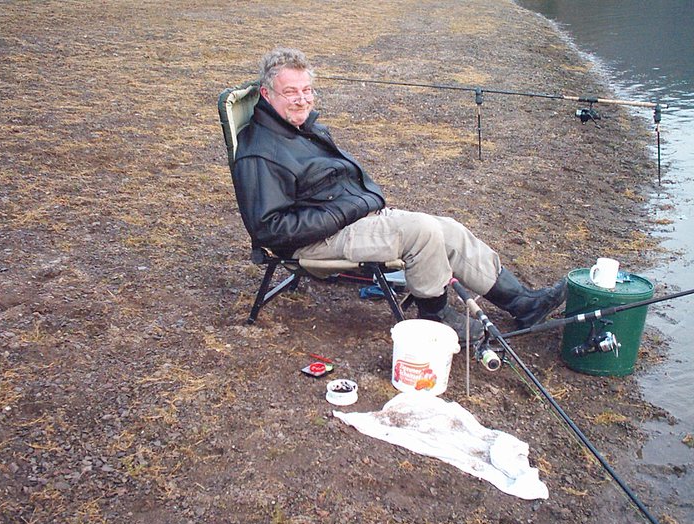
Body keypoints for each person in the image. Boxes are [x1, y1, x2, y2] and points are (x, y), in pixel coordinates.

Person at [231, 47, 567, 338]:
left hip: (346, 217)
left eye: (307, 90)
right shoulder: (260, 153)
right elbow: (270, 229)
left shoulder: (299, 129)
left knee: (448, 229)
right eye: (291, 92)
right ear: (267, 94)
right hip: (315, 240)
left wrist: (355, 205)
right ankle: (435, 316)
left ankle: (522, 303)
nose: (302, 99)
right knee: (421, 232)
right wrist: (349, 209)